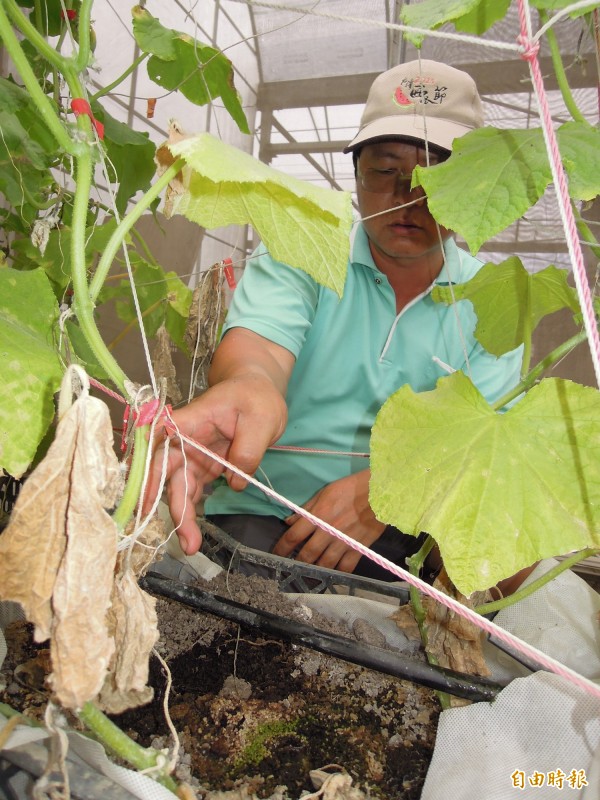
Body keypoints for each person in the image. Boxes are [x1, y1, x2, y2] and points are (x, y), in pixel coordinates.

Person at [145, 59, 524, 586]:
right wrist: (251, 385)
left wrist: (383, 493)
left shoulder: (497, 299)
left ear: (476, 185)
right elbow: (260, 353)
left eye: (438, 173)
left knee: (509, 558)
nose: (408, 195)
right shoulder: (306, 248)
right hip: (269, 509)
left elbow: (483, 451)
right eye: (386, 170)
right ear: (356, 174)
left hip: (412, 522)